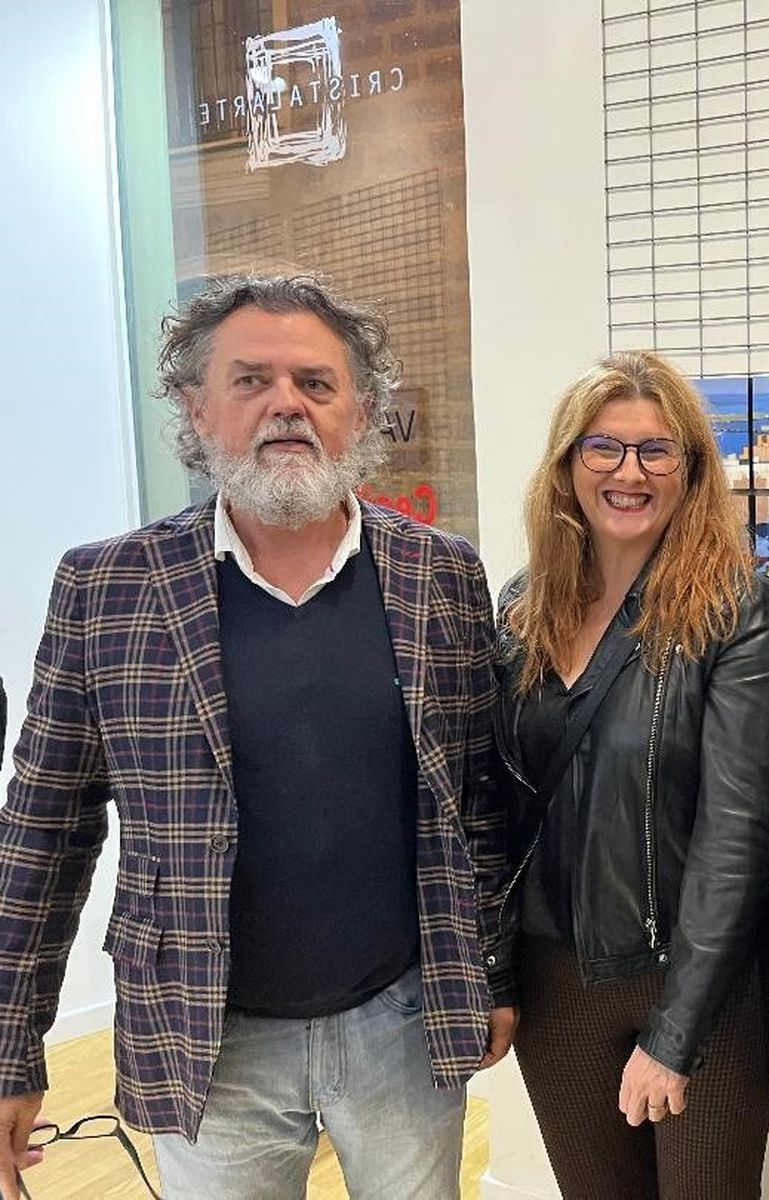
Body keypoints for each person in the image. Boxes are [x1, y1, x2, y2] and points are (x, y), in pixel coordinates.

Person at [0, 274, 514, 1200]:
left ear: (360, 411)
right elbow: (42, 830)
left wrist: (493, 972)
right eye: (252, 381)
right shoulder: (107, 588)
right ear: (196, 407)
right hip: (206, 1034)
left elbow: (480, 804)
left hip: (401, 1020)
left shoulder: (442, 576)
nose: (288, 405)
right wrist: (11, 1042)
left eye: (316, 384)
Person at [495, 350, 769, 1199]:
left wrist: (676, 1032)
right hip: (557, 982)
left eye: (657, 450)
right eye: (604, 449)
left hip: (701, 980)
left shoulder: (733, 607)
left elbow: (737, 836)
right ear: (567, 464)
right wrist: (493, 976)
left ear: (691, 470)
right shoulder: (523, 606)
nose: (630, 472)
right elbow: (493, 811)